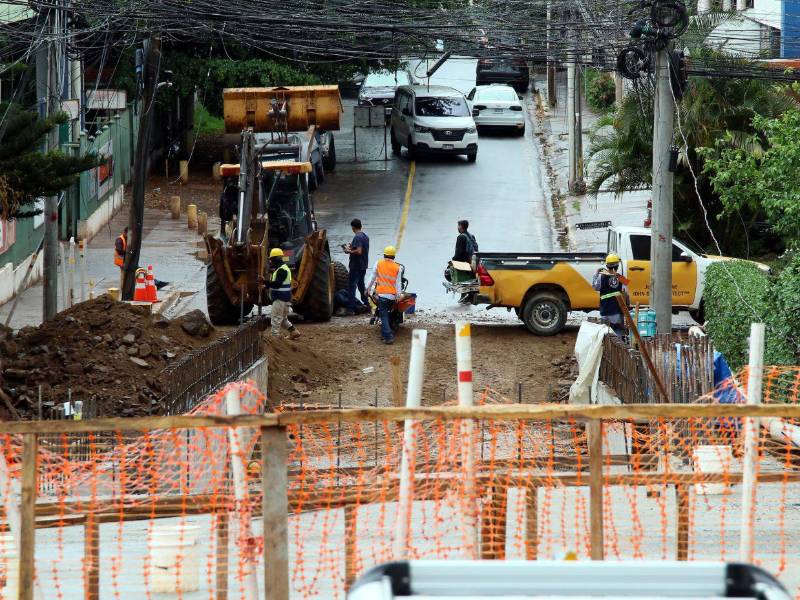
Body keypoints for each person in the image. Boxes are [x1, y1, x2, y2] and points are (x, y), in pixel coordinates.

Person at [367, 245, 404, 345]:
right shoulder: (398, 267)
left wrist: (368, 289)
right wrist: (398, 296)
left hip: (381, 295)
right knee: (386, 314)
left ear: (384, 255)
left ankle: (388, 336)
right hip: (391, 296)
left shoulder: (378, 264)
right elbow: (398, 284)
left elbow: (372, 278)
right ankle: (384, 334)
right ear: (394, 257)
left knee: (384, 315)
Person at [591, 254, 630, 336]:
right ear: (618, 266)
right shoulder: (621, 278)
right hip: (616, 310)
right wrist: (627, 308)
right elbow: (626, 293)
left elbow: (595, 287)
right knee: (618, 332)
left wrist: (596, 273)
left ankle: (606, 347)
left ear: (606, 265)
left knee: (605, 332)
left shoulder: (601, 277)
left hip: (605, 309)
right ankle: (619, 347)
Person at [268, 248, 301, 339]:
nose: (271, 262)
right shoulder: (283, 268)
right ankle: (293, 331)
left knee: (275, 318)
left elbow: (277, 284)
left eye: (272, 259)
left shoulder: (281, 270)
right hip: (285, 299)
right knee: (283, 319)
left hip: (280, 299)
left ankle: (275, 338)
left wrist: (265, 282)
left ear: (277, 258)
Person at [343, 218, 369, 315]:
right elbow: (361, 249)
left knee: (351, 287)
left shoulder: (357, 237)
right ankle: (367, 305)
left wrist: (348, 251)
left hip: (356, 266)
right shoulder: (365, 236)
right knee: (361, 286)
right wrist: (351, 247)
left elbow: (358, 251)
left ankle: (350, 309)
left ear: (353, 227)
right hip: (363, 266)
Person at [452, 220, 478, 304]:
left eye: (458, 226)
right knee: (470, 280)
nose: (457, 227)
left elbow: (459, 252)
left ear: (461, 226)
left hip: (465, 261)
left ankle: (464, 296)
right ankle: (469, 296)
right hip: (474, 261)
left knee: (462, 279)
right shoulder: (472, 236)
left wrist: (453, 261)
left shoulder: (461, 237)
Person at [114, 226, 128, 291]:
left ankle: (124, 288)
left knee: (125, 275)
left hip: (124, 260)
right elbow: (119, 250)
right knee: (124, 275)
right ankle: (123, 289)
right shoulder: (119, 240)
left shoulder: (126, 238)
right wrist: (127, 253)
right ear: (125, 232)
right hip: (121, 261)